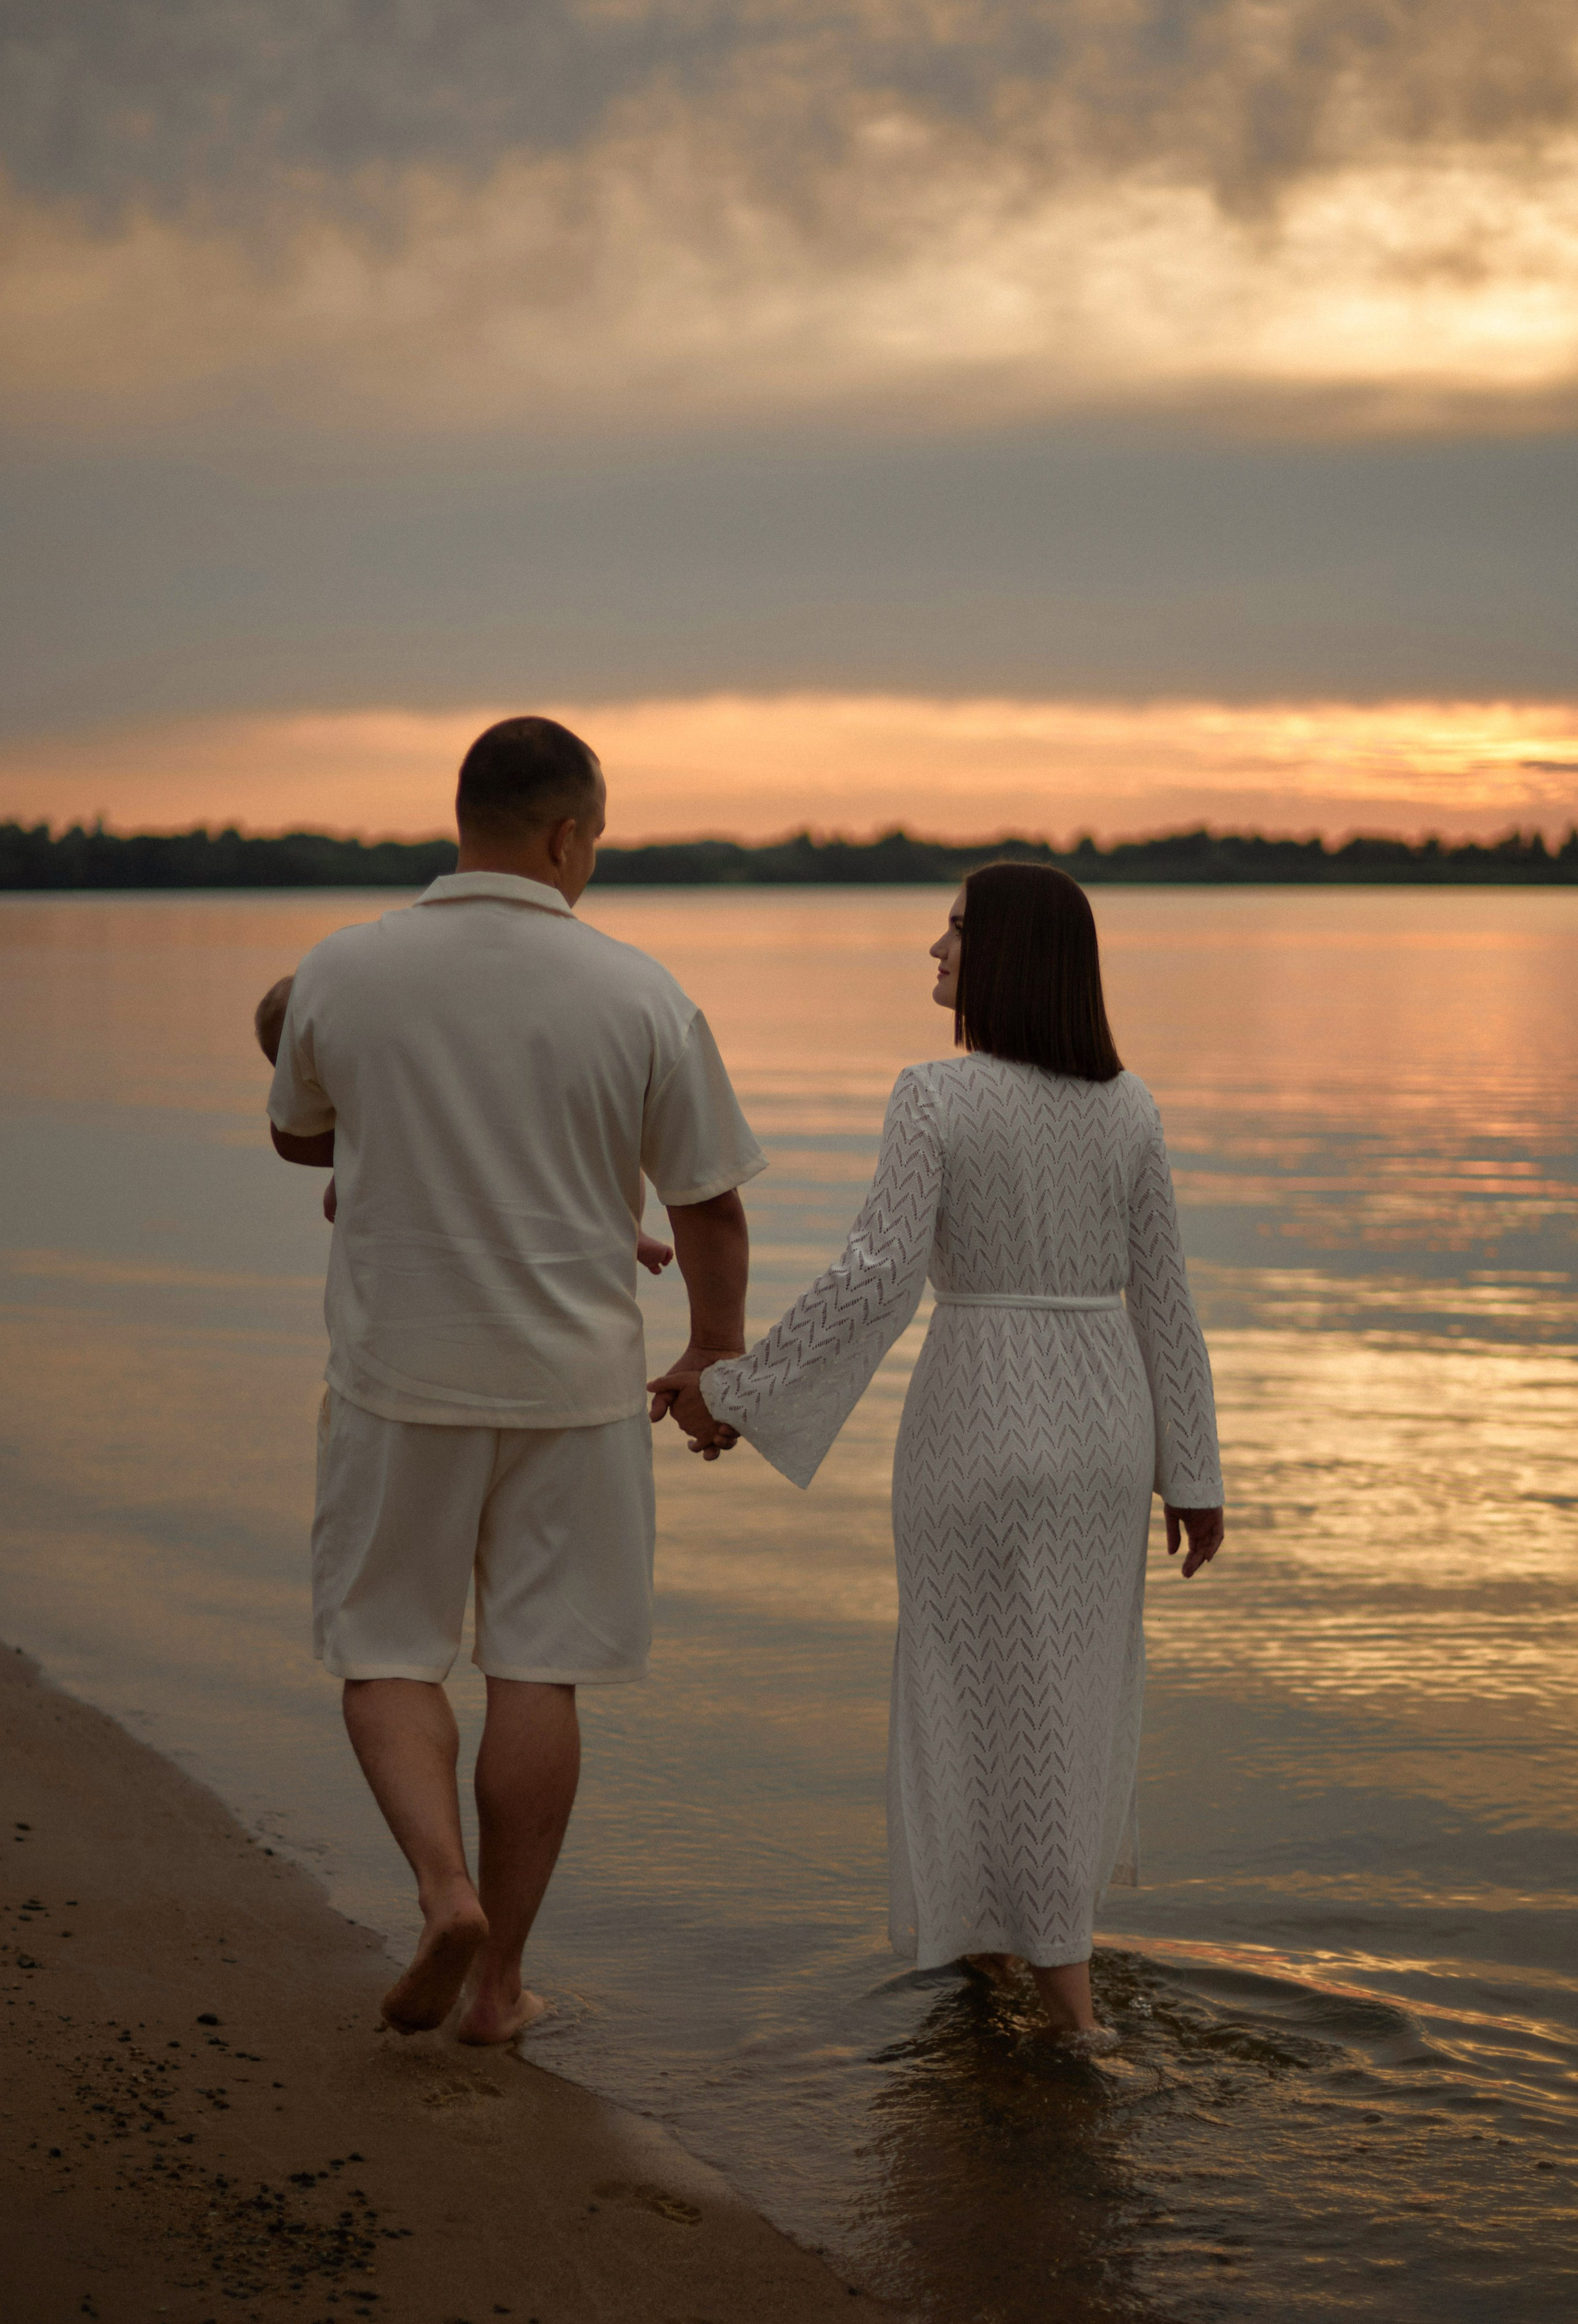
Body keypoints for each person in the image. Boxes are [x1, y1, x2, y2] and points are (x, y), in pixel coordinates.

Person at [651, 863, 1223, 2048]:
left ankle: (1067, 2003)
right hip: (1106, 1430)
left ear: (1007, 954)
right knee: (1065, 1697)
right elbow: (1168, 1303)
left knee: (972, 1699)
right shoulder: (1134, 1109)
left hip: (980, 1422)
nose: (936, 950)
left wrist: (736, 1390)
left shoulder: (934, 1097)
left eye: (955, 930)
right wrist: (1196, 1476)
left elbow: (877, 1278)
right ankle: (1002, 1957)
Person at [266, 716, 764, 2044]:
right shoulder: (641, 993)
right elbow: (708, 1204)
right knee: (539, 1672)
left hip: (396, 1375)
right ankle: (499, 1988)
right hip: (576, 1391)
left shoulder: (344, 968)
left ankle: (442, 1890)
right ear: (566, 835)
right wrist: (714, 1353)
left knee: (385, 1652)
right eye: (593, 839)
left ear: (460, 821)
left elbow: (299, 1134)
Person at [255, 977, 677, 1274]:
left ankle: (630, 1231)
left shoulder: (364, 1118)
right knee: (603, 1152)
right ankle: (630, 1230)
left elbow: (337, 1202)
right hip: (517, 1162)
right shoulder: (389, 1052)